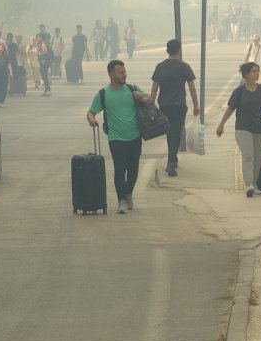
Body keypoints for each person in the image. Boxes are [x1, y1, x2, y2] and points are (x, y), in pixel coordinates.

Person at [86, 60, 152, 214]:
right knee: (120, 169)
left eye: (124, 71)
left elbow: (149, 98)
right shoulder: (103, 94)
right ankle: (121, 200)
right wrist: (91, 119)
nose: (124, 74)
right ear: (111, 74)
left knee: (133, 170)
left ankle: (128, 193)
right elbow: (91, 112)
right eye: (120, 72)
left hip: (135, 136)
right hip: (116, 138)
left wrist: (142, 97)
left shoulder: (131, 89)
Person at [216, 62, 261, 198]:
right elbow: (230, 109)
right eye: (254, 71)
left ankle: (254, 183)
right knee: (248, 155)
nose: (257, 74)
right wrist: (221, 125)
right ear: (246, 75)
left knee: (257, 157)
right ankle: (249, 183)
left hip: (260, 128)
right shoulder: (239, 92)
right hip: (243, 128)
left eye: (257, 71)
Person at [150, 39, 200, 177]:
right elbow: (192, 88)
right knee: (176, 133)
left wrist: (151, 105)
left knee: (169, 132)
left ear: (167, 51)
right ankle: (171, 163)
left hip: (164, 105)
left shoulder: (160, 66)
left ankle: (173, 159)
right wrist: (196, 105)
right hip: (179, 106)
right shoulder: (184, 66)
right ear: (179, 50)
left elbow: (154, 88)